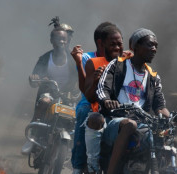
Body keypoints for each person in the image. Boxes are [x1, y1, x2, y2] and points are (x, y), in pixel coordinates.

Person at [89, 28, 177, 174]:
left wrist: (172, 118)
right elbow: (102, 87)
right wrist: (107, 100)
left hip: (143, 123)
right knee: (130, 125)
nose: (154, 49)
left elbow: (160, 106)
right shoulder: (117, 65)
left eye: (156, 46)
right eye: (150, 45)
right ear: (135, 46)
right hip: (115, 120)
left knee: (169, 133)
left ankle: (162, 168)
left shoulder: (153, 77)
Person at [72, 24, 125, 174]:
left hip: (117, 105)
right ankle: (80, 165)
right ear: (101, 43)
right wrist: (79, 63)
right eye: (112, 43)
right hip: (91, 101)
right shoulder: (89, 59)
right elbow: (85, 89)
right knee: (85, 111)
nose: (116, 46)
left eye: (119, 43)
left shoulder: (125, 60)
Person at [21, 19, 78, 155]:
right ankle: (33, 135)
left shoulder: (74, 59)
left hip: (68, 95)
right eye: (59, 38)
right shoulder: (45, 58)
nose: (63, 41)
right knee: (44, 102)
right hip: (49, 93)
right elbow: (34, 79)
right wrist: (35, 78)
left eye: (65, 38)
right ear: (52, 40)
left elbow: (82, 76)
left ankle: (76, 149)